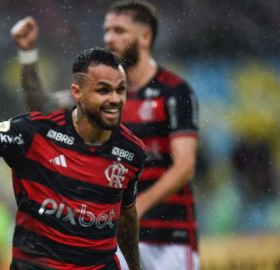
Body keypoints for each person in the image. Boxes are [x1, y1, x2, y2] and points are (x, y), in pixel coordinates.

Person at [11, 1, 200, 269]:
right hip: (113, 238)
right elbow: (41, 110)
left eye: (119, 30)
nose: (109, 37)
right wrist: (28, 54)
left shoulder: (173, 91)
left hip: (169, 237)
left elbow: (185, 166)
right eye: (107, 30)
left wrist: (138, 206)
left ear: (145, 36)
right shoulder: (94, 99)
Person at [0, 47, 146, 270]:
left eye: (121, 90)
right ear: (77, 92)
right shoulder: (32, 133)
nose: (115, 99)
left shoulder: (131, 151)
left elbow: (127, 216)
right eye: (103, 90)